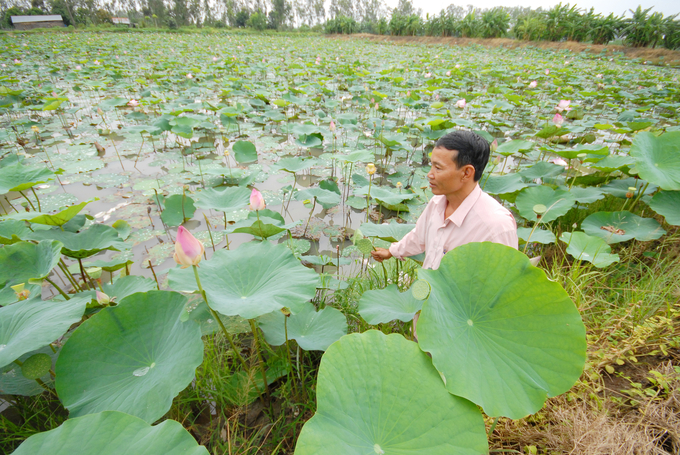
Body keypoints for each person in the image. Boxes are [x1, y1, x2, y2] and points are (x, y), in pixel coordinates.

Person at [371, 130, 518, 269]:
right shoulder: (437, 202)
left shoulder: (496, 227)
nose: (430, 174)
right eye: (431, 166)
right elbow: (419, 236)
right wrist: (392, 251)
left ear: (466, 173)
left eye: (438, 168)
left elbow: (504, 284)